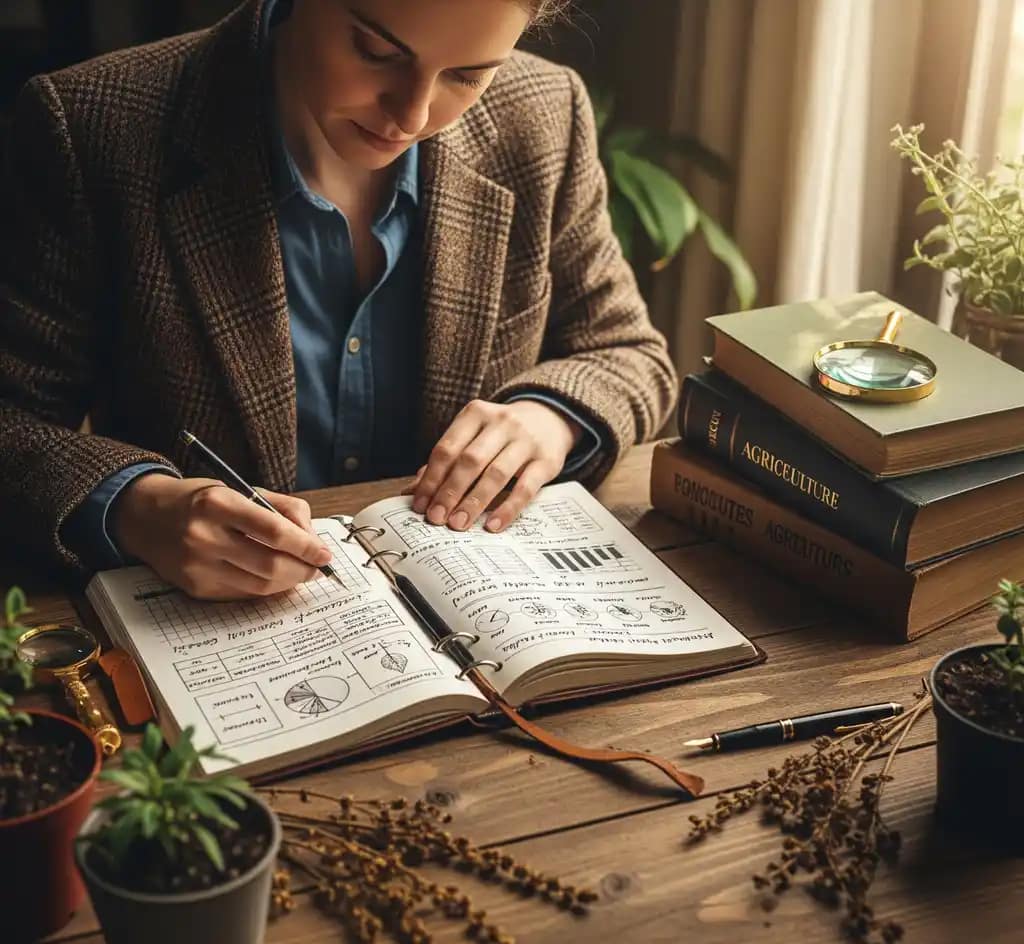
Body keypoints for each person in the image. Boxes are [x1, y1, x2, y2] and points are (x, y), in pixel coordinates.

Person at [0, 0, 678, 599]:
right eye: (377, 52)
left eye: (467, 75)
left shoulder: (543, 111)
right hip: (206, 638)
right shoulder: (91, 125)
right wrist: (138, 509)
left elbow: (625, 351)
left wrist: (547, 417)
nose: (413, 114)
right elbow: (13, 419)